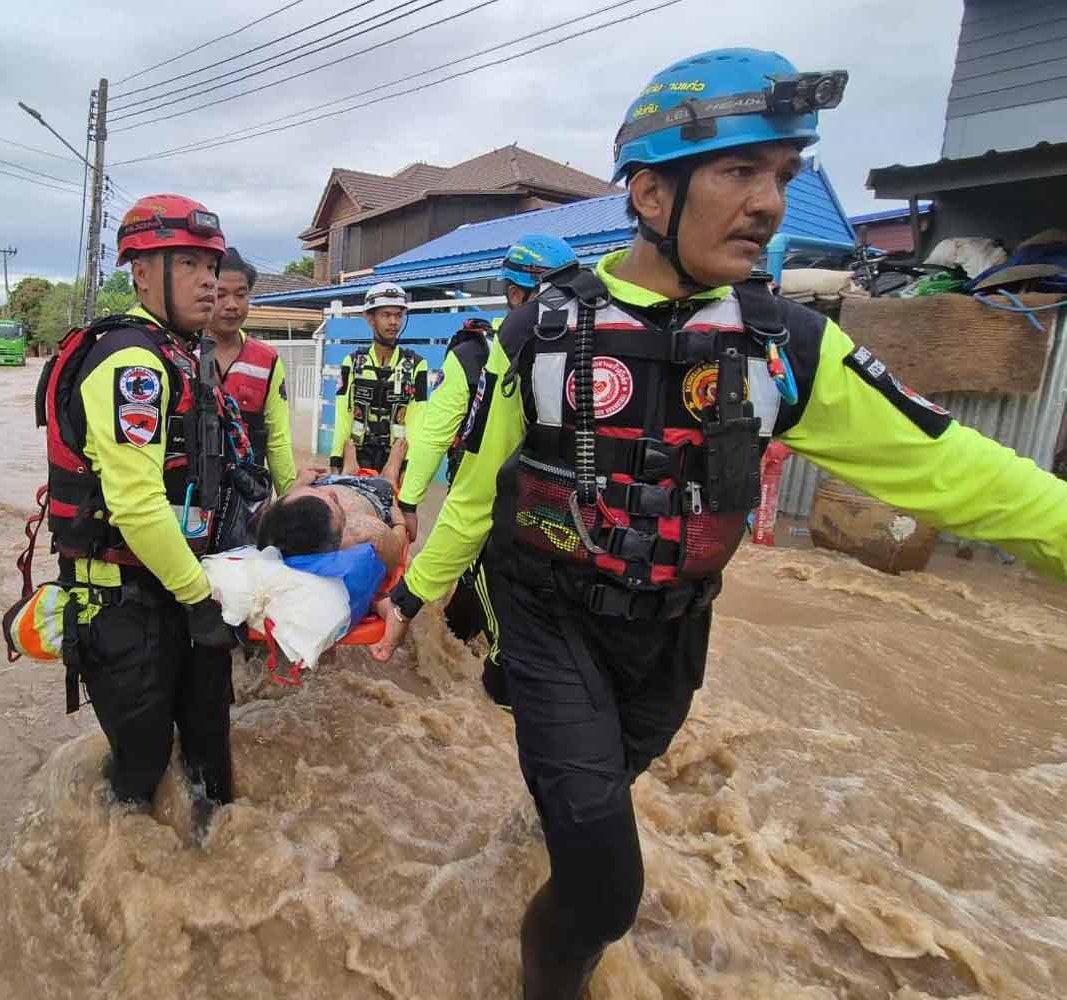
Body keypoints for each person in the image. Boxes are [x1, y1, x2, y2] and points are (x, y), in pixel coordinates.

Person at [371, 48, 1067, 998]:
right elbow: (479, 493)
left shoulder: (788, 348)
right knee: (606, 891)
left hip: (669, 635)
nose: (770, 202)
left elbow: (967, 474)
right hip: (546, 617)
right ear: (652, 194)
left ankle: (558, 830)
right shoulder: (538, 335)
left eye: (781, 174)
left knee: (596, 805)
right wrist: (415, 594)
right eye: (741, 171)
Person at [36, 192, 244, 819]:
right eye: (190, 266)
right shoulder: (133, 361)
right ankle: (120, 857)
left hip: (181, 584)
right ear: (143, 273)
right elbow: (135, 505)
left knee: (211, 753)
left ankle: (212, 859)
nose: (209, 282)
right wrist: (200, 599)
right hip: (125, 599)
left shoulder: (182, 352)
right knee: (141, 768)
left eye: (212, 266)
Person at [396, 235, 578, 708]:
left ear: (513, 292)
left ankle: (485, 699)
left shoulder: (479, 355)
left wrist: (409, 502)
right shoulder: (599, 350)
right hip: (581, 538)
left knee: (497, 637)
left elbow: (438, 440)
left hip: (503, 521)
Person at [206, 246, 299, 496]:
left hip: (249, 499)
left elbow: (277, 439)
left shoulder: (267, 360)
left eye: (241, 294)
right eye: (220, 294)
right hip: (191, 499)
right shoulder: (182, 351)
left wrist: (289, 497)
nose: (232, 305)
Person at [329, 282, 429, 477]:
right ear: (370, 318)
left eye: (398, 315)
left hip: (396, 459)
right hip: (357, 457)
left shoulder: (417, 365)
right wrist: (336, 459)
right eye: (386, 315)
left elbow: (417, 420)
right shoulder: (352, 363)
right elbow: (343, 415)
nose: (394, 322)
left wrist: (408, 465)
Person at [257, 466, 409, 575]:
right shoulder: (364, 532)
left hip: (324, 481)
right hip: (372, 492)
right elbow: (396, 555)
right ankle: (391, 471)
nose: (330, 493)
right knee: (388, 482)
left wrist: (300, 483)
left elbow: (280, 507)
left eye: (311, 493)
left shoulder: (273, 525)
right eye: (335, 502)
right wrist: (400, 523)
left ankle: (347, 469)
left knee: (331, 475)